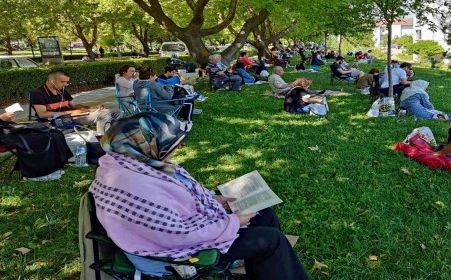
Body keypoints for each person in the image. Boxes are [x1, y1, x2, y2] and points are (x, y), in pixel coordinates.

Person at [89, 113, 308, 279]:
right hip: (170, 253)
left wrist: (213, 200)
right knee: (272, 240)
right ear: (146, 145)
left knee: (264, 213)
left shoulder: (130, 163)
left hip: (184, 232)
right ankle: (274, 263)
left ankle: (268, 269)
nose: (180, 146)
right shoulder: (135, 186)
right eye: (173, 142)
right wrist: (232, 222)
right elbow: (176, 235)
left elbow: (175, 203)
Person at [31, 70, 123, 135]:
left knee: (117, 112)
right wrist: (71, 112)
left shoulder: (62, 91)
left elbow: (74, 105)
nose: (66, 85)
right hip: (58, 120)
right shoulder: (38, 94)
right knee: (104, 114)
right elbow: (42, 114)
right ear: (52, 80)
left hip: (73, 115)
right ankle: (102, 140)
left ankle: (112, 136)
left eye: (67, 82)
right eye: (63, 82)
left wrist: (91, 108)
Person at [133, 67, 198, 118]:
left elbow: (151, 91)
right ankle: (186, 120)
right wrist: (170, 87)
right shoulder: (153, 84)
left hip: (141, 106)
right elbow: (168, 97)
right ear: (150, 76)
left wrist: (162, 87)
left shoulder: (135, 83)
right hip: (156, 107)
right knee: (188, 102)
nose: (156, 77)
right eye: (155, 76)